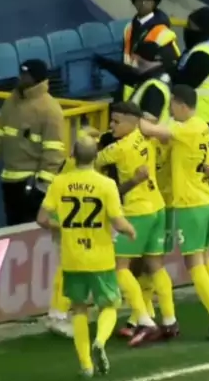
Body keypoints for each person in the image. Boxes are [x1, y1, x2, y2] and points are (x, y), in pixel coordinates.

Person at [139, 85, 209, 340]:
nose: (170, 110)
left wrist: (133, 118)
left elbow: (151, 129)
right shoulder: (202, 126)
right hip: (208, 199)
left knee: (193, 264)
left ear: (182, 105)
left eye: (172, 105)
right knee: (206, 259)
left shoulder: (185, 129)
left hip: (191, 204)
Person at [37, 136, 136, 377]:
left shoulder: (59, 182)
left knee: (79, 309)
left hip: (72, 257)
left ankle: (85, 365)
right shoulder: (106, 184)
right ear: (95, 157)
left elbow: (41, 219)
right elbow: (117, 221)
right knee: (110, 305)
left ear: (72, 155)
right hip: (100, 257)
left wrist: (61, 227)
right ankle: (99, 341)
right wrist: (130, 230)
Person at [48, 127, 148, 339]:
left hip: (70, 222)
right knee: (68, 268)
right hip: (75, 224)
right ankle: (59, 316)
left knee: (67, 267)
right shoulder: (91, 175)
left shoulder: (71, 169)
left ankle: (62, 315)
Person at [95, 101, 178, 346]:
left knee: (120, 267)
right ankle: (170, 320)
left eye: (116, 122)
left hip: (137, 211)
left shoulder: (118, 149)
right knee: (156, 266)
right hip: (158, 207)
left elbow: (93, 160)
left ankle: (144, 321)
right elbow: (161, 132)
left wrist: (90, 142)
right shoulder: (146, 137)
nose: (111, 126)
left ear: (131, 122)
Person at [0, 59, 65, 225]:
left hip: (31, 183)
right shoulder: (11, 101)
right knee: (13, 227)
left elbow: (54, 153)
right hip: (9, 182)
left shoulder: (50, 109)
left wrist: (41, 187)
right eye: (21, 73)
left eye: (26, 74)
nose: (21, 77)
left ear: (36, 78)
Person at [105, 0, 179, 101]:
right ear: (134, 2)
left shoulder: (163, 32)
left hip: (149, 91)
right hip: (128, 88)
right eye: (139, 0)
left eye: (147, 0)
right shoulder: (129, 28)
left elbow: (170, 65)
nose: (143, 3)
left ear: (154, 3)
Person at [170, 6, 209, 143]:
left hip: (205, 115)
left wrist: (168, 69)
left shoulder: (204, 53)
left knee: (193, 155)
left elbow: (185, 83)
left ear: (202, 29)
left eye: (191, 26)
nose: (187, 29)